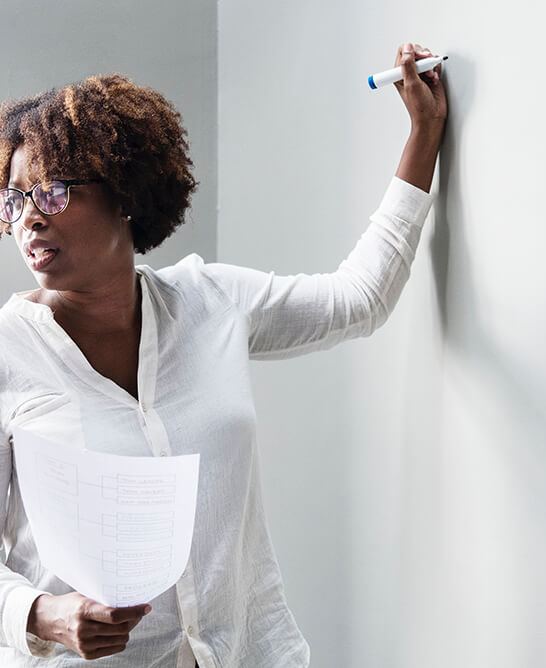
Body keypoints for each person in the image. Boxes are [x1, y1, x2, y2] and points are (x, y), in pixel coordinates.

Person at [0, 42, 446, 667]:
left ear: (124, 192)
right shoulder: (8, 354)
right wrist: (41, 614)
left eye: (51, 192)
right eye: (15, 200)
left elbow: (358, 301)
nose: (28, 220)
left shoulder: (208, 300)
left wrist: (424, 134)